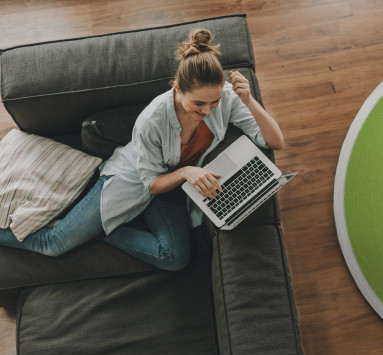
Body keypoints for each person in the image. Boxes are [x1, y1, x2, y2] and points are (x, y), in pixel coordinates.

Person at [0, 29, 284, 271]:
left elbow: (274, 141)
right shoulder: (153, 119)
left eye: (214, 103)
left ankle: (96, 234)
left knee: (174, 258)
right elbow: (151, 183)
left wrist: (248, 100)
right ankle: (83, 229)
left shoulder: (224, 98)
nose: (208, 111)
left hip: (172, 186)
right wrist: (186, 171)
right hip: (134, 180)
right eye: (199, 104)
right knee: (54, 243)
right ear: (177, 89)